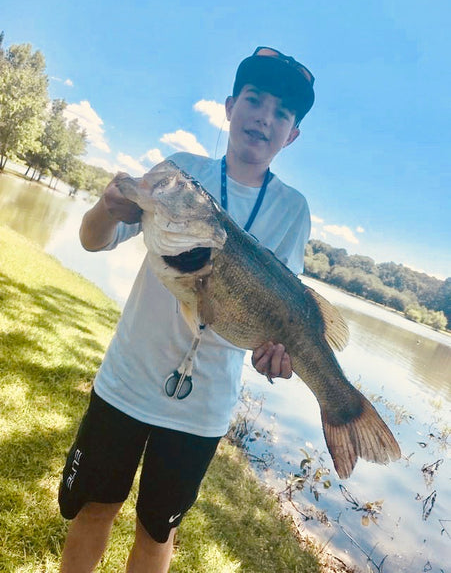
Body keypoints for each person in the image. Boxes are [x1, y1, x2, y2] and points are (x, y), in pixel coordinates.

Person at [58, 46, 315, 573]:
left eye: (282, 112)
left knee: (157, 533)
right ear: (229, 106)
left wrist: (277, 355)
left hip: (201, 411)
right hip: (126, 383)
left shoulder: (293, 210)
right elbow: (90, 241)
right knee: (93, 508)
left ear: (291, 134)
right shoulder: (178, 175)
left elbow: (285, 312)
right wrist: (106, 209)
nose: (264, 115)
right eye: (254, 98)